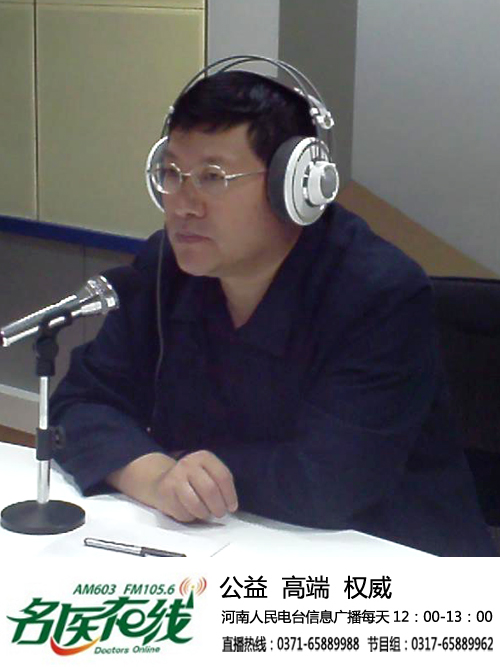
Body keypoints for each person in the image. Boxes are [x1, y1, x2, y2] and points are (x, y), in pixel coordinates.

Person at [50, 63, 495, 556]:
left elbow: (329, 482)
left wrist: (182, 466)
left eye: (212, 177)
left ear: (295, 186)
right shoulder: (166, 269)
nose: (183, 205)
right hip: (225, 541)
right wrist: (157, 476)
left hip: (393, 561)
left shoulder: (379, 292)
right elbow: (79, 403)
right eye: (172, 174)